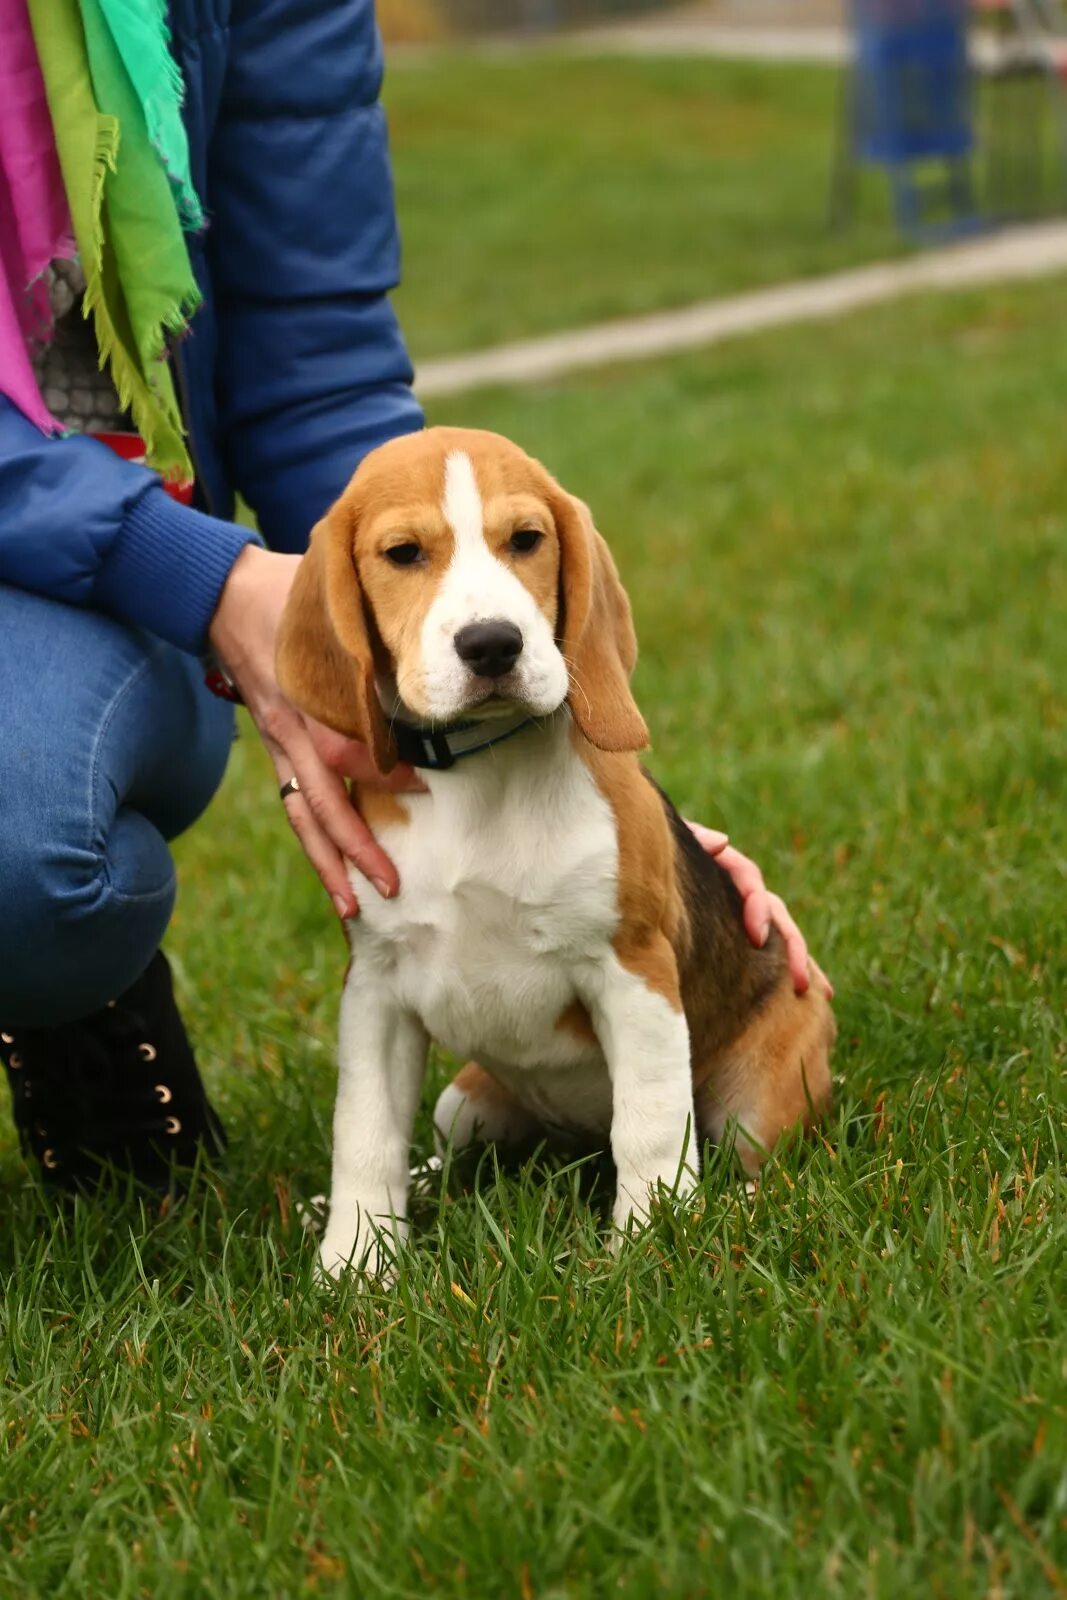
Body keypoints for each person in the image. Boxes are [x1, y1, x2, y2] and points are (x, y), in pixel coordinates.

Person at [0, 0, 827, 1192]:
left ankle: (58, 972)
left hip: (91, 576)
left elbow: (316, 362)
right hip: (108, 543)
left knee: (31, 852)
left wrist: (637, 851)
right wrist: (214, 576)